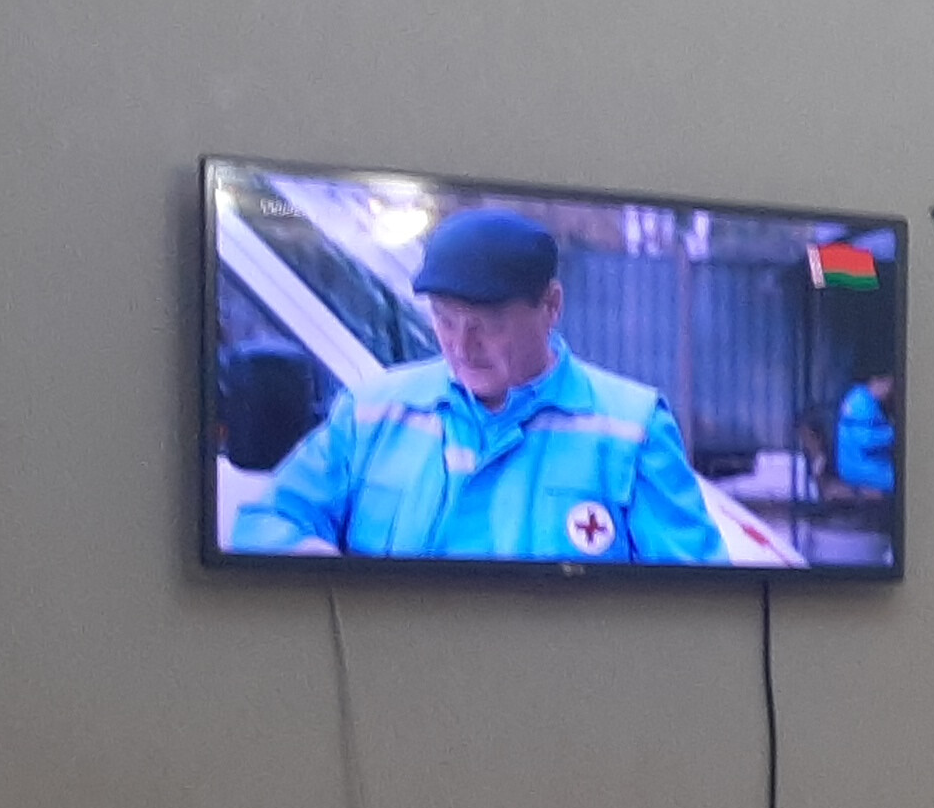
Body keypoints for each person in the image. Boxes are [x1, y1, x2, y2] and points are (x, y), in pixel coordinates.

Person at [231, 210, 728, 564]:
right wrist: (327, 576)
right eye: (445, 321)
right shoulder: (369, 414)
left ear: (551, 306)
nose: (462, 346)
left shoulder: (632, 431)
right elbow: (266, 522)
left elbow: (696, 600)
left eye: (488, 324)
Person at [830, 373, 898, 496]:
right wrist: (894, 433)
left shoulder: (862, 398)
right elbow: (865, 440)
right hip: (862, 467)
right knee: (906, 480)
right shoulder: (861, 402)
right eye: (889, 385)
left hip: (863, 464)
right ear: (877, 381)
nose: (890, 392)